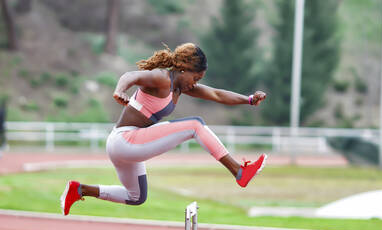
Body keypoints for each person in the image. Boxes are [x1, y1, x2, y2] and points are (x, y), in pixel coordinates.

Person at [60, 43, 267, 216]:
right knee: (195, 125)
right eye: (195, 78)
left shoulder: (180, 87)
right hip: (125, 140)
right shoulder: (161, 78)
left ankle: (79, 189)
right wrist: (119, 90)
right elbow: (131, 75)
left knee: (137, 197)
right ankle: (238, 171)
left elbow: (217, 95)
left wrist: (249, 100)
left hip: (124, 147)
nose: (194, 84)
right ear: (184, 68)